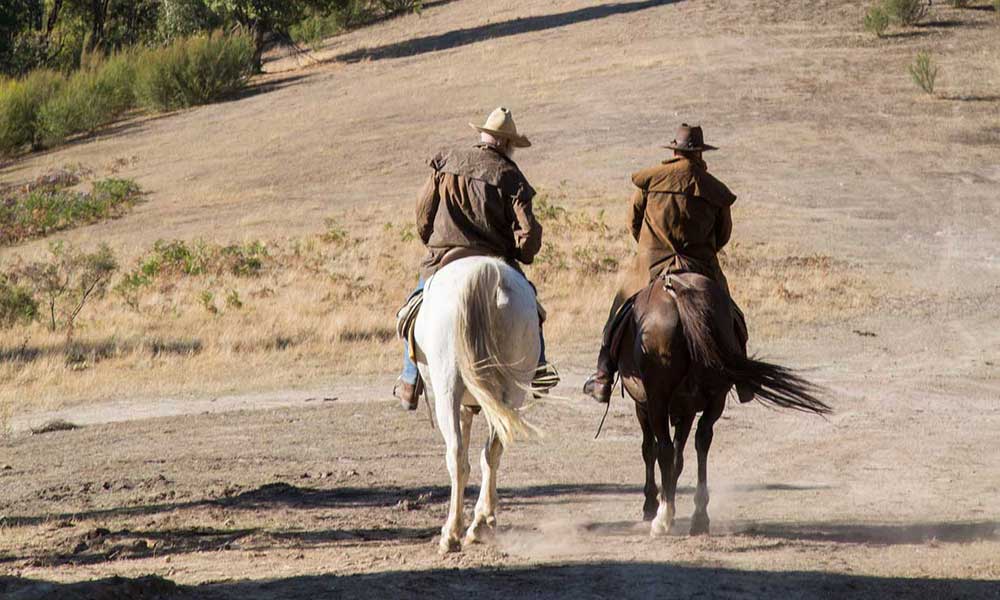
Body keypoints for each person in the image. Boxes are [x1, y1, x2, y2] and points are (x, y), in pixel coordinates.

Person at [395, 107, 559, 410]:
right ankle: (539, 370)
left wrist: (431, 241)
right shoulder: (511, 176)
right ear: (508, 144)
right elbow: (528, 232)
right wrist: (524, 253)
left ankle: (409, 379)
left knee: (413, 306)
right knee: (531, 307)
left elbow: (423, 213)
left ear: (482, 136)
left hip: (446, 257)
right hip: (497, 261)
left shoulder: (446, 163)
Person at [582, 124, 751, 404]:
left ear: (674, 150)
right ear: (699, 153)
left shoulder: (650, 180)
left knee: (618, 310)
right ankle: (743, 380)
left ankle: (602, 376)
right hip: (700, 266)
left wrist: (649, 247)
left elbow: (633, 222)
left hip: (651, 263)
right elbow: (723, 235)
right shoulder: (714, 189)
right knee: (732, 316)